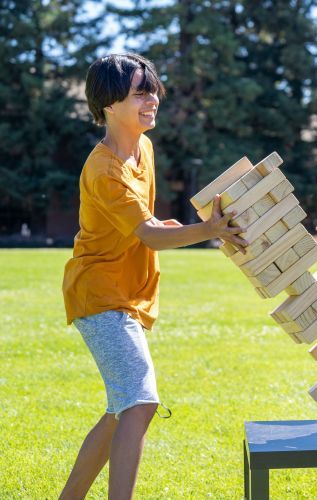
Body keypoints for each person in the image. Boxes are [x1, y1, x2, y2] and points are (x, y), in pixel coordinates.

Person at [60, 54, 248, 499]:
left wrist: (166, 226)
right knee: (140, 402)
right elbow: (146, 234)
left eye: (154, 89)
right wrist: (209, 229)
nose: (153, 99)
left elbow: (142, 225)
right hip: (101, 296)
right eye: (140, 92)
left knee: (119, 410)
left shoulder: (142, 147)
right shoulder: (105, 168)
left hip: (128, 295)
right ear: (109, 104)